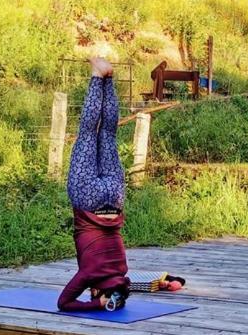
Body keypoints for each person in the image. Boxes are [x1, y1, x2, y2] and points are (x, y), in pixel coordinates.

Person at [57, 58, 188, 313]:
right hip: (88, 200)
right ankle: (97, 77)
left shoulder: (122, 273)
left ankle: (108, 80)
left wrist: (166, 282)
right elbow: (64, 303)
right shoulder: (90, 274)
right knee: (87, 133)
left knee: (107, 134)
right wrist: (98, 304)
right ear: (97, 291)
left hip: (114, 200)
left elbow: (130, 284)